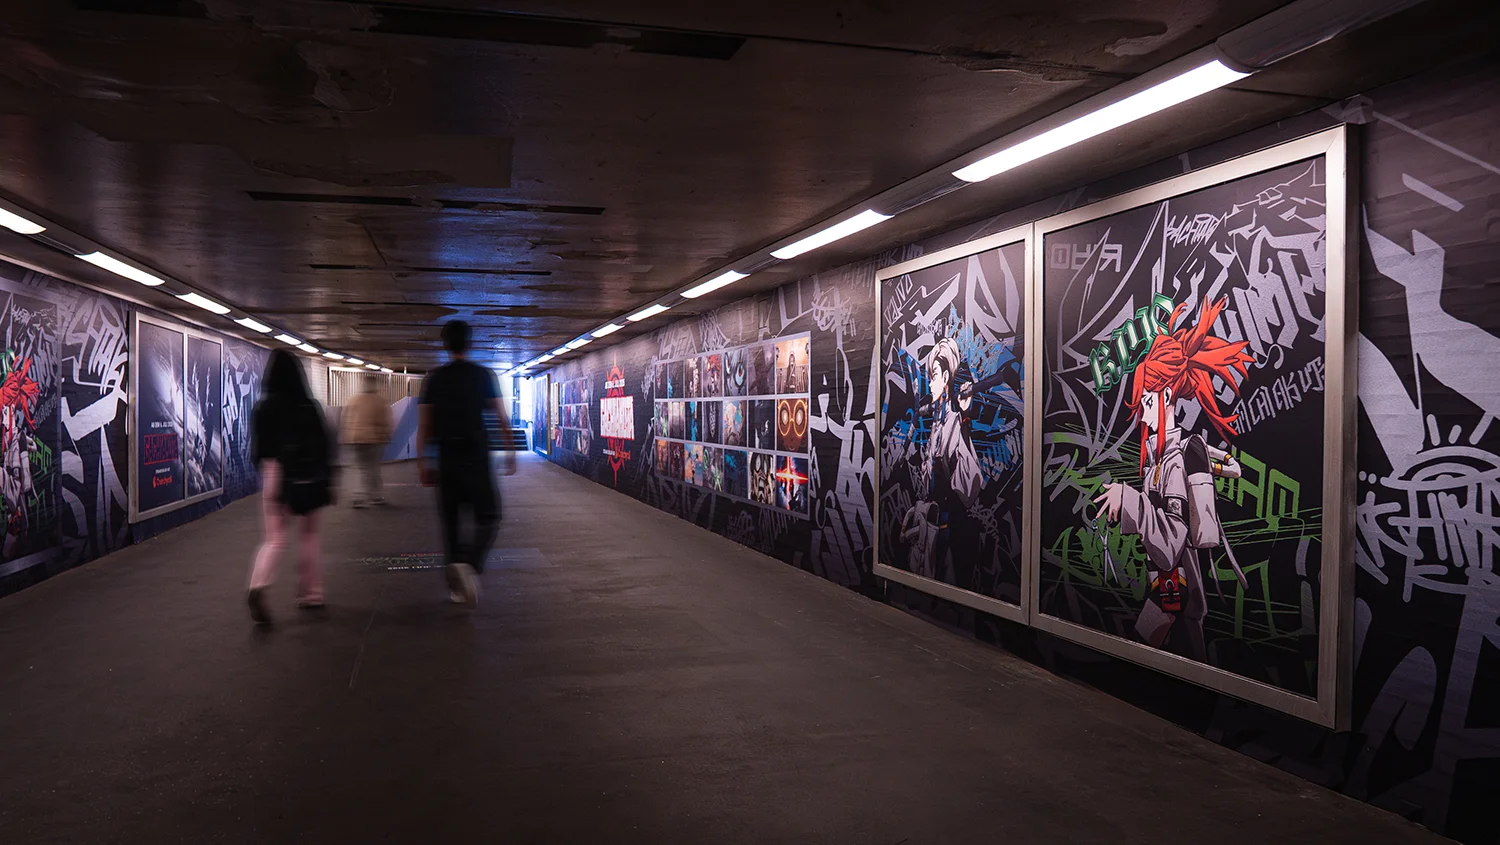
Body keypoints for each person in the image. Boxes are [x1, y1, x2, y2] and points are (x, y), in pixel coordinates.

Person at [417, 320, 516, 607]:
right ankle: (470, 563)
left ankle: (457, 588)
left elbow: (425, 425)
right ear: (470, 343)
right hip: (477, 456)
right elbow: (500, 417)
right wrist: (509, 450)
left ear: (445, 345)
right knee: (489, 515)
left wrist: (423, 461)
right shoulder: (484, 375)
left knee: (450, 523)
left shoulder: (434, 379)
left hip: (447, 458)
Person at [247, 348, 336, 625]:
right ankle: (312, 593)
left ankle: (258, 586)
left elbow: (258, 451)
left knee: (275, 539)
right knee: (309, 535)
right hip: (308, 474)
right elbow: (325, 444)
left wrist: (269, 470)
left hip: (275, 472)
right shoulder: (309, 406)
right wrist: (327, 476)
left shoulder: (262, 408)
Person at [341, 376, 394, 508]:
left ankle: (357, 497)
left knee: (358, 468)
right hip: (373, 439)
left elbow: (344, 419)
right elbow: (386, 421)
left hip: (354, 439)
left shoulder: (352, 400)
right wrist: (386, 435)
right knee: (372, 468)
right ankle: (375, 496)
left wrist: (347, 434)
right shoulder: (380, 401)